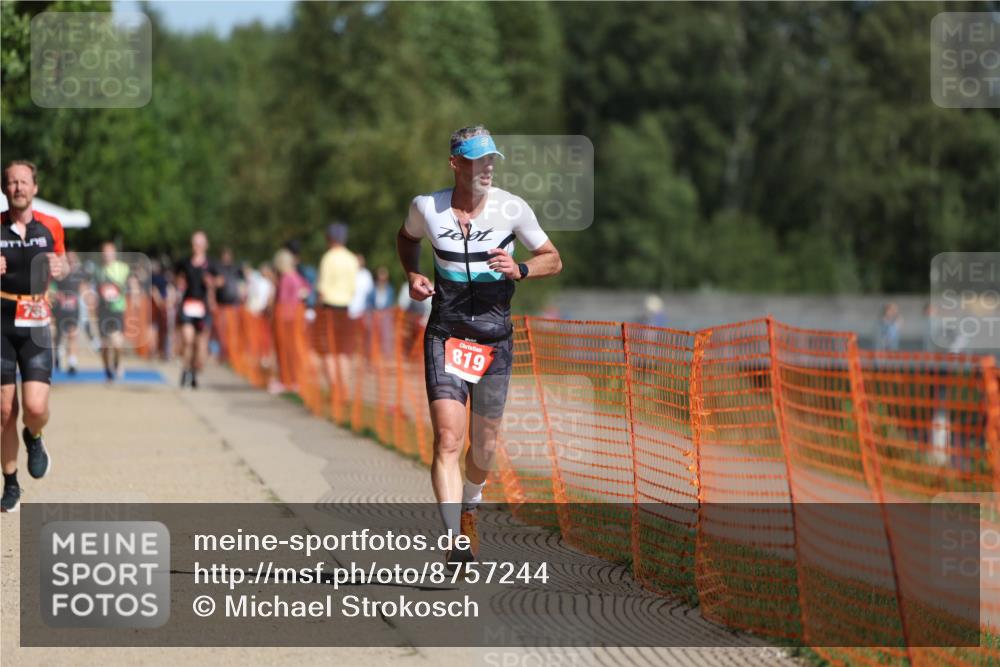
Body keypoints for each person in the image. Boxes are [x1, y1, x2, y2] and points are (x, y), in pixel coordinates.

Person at [396, 125, 562, 565]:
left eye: (491, 159)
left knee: (483, 447)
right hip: (446, 335)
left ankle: (471, 502)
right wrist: (412, 275)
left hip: (494, 340)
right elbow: (407, 238)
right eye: (477, 160)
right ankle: (455, 542)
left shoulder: (512, 208)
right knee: (448, 439)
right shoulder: (427, 207)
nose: (487, 168)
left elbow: (553, 258)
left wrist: (521, 269)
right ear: (455, 163)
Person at [0, 160, 67, 512]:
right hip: (1, 321)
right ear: (4, 189)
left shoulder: (51, 225)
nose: (18, 188)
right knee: (4, 410)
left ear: (35, 187)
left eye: (24, 182)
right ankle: (11, 483)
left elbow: (64, 263)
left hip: (36, 322)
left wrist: (60, 266)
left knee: (36, 408)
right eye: (12, 182)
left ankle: (34, 435)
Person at [315, 223, 359, 394]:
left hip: (329, 308)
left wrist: (317, 309)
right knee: (343, 351)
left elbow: (322, 289)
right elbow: (353, 288)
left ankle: (334, 390)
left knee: (328, 350)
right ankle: (344, 389)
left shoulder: (328, 258)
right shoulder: (351, 258)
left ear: (330, 238)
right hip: (346, 309)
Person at [175, 231, 218, 388]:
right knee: (188, 340)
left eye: (200, 243)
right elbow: (177, 277)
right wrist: (179, 283)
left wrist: (211, 282)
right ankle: (185, 369)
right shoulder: (185, 262)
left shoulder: (211, 264)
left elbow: (220, 280)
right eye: (195, 243)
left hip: (203, 308)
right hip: (188, 305)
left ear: (206, 245)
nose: (197, 247)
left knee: (199, 344)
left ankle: (193, 371)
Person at [94, 241, 130, 381]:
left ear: (114, 253)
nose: (107, 255)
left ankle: (117, 362)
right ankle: (107, 369)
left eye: (109, 252)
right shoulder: (97, 270)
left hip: (117, 309)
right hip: (103, 310)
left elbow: (128, 283)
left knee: (117, 342)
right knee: (105, 344)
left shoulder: (122, 268)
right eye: (104, 252)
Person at [51, 251, 86, 375]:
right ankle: (58, 355)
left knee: (72, 334)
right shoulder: (59, 273)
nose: (71, 261)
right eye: (68, 258)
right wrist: (56, 295)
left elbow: (83, 288)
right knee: (59, 335)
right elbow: (52, 287)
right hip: (60, 308)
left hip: (73, 309)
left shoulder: (79, 274)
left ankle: (72, 362)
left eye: (72, 259)